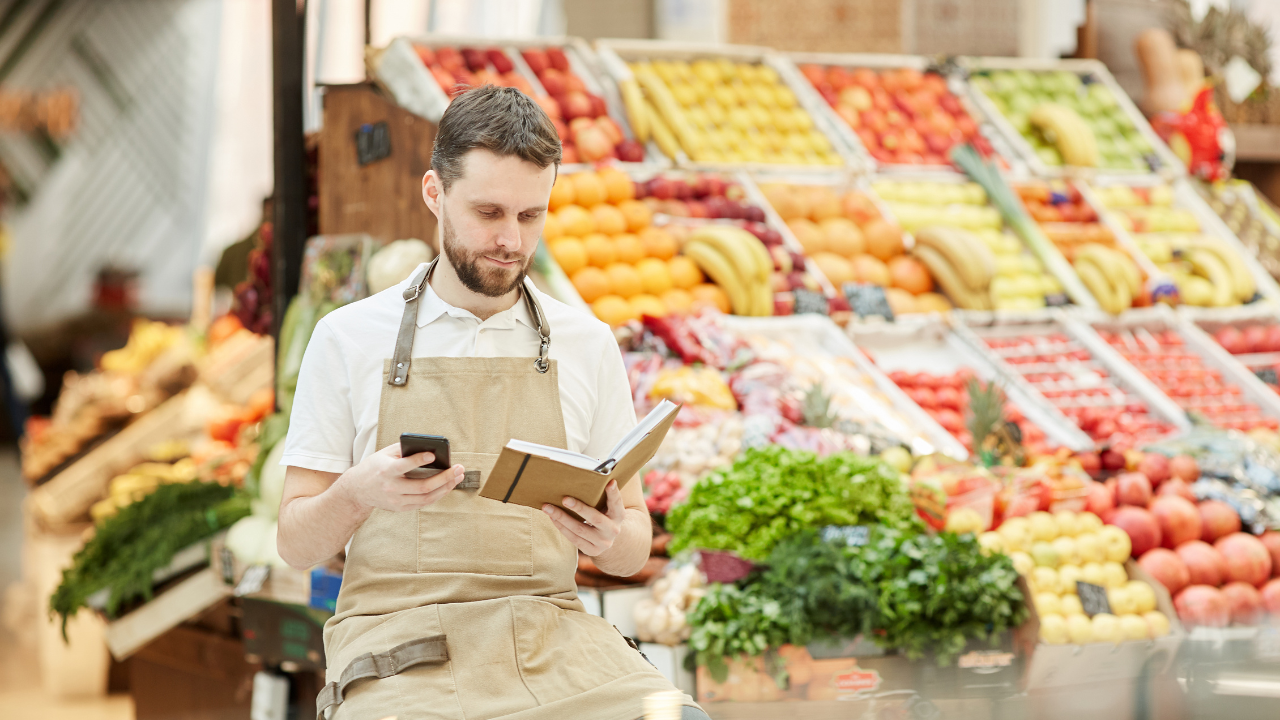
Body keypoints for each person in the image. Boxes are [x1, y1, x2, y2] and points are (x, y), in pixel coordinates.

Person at [277, 85, 706, 720]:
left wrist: (610, 539)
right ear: (434, 193)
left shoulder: (584, 343)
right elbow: (293, 543)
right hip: (400, 648)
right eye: (489, 212)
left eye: (531, 216)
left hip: (553, 643)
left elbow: (636, 542)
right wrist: (356, 493)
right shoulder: (348, 337)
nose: (510, 239)